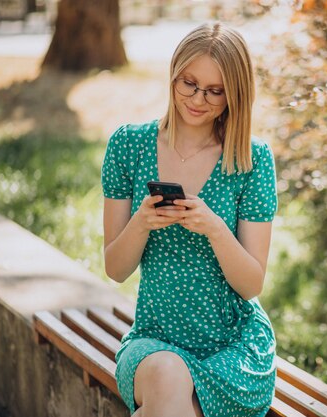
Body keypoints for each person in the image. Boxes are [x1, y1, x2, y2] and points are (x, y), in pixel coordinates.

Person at [101, 21, 278, 417]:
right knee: (168, 375)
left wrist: (215, 228)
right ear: (173, 75)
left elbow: (251, 284)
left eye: (215, 91)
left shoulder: (251, 159)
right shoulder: (128, 145)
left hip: (233, 349)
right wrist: (142, 222)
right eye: (189, 83)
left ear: (235, 94)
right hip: (155, 338)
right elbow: (115, 269)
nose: (198, 99)